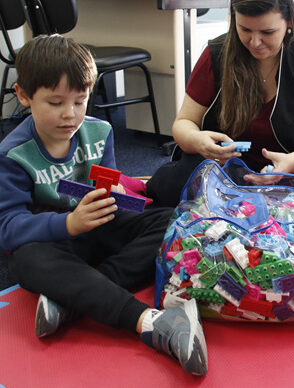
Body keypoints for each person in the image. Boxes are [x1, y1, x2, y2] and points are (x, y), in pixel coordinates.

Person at [0, 35, 207, 375]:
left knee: (173, 221)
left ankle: (73, 300)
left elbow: (108, 194)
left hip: (98, 226)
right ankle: (148, 322)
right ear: (23, 95)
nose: (70, 115)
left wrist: (132, 204)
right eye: (55, 103)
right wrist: (68, 225)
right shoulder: (13, 154)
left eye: (80, 101)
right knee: (25, 262)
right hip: (55, 242)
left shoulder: (100, 131)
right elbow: (7, 228)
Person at [146, 0, 294, 220]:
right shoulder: (216, 53)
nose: (255, 42)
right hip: (225, 167)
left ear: (289, 22)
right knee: (166, 188)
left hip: (291, 167)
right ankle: (259, 205)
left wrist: (291, 163)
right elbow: (184, 123)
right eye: (244, 29)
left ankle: (239, 205)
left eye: (268, 32)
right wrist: (198, 140)